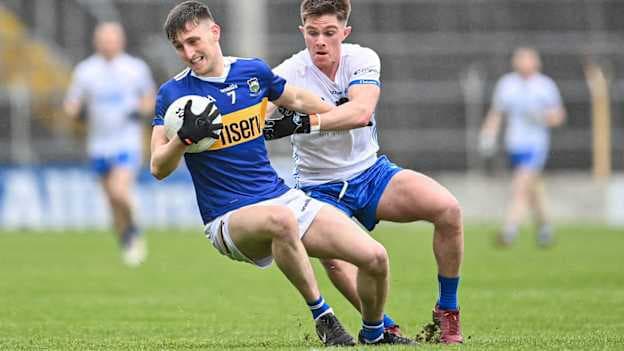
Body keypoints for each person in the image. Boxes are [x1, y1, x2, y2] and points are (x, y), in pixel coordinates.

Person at [150, 1, 414, 346]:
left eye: (193, 41)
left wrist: (345, 117)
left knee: (375, 258)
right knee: (281, 220)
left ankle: (375, 334)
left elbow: (299, 99)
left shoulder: (252, 72)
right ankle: (324, 317)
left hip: (280, 198)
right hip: (227, 218)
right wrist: (183, 139)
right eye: (179, 47)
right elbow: (158, 167)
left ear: (214, 32)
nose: (188, 52)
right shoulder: (173, 96)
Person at [263, 0, 464, 344]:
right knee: (337, 261)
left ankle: (447, 311)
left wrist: (303, 122)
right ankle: (382, 325)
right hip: (318, 187)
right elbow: (256, 119)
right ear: (302, 32)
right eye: (312, 33)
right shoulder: (286, 74)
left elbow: (360, 112)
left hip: (371, 174)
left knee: (448, 210)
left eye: (329, 33)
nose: (320, 41)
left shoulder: (363, 58)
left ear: (345, 31)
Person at [64, 22, 155, 267]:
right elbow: (72, 103)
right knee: (112, 201)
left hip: (126, 141)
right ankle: (127, 238)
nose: (108, 43)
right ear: (96, 41)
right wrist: (74, 112)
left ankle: (134, 229)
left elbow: (149, 98)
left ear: (121, 41)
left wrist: (139, 111)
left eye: (112, 39)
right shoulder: (85, 71)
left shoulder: (134, 68)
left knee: (119, 191)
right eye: (104, 39)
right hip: (98, 144)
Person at [479, 47, 566, 247]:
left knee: (520, 186)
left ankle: (509, 231)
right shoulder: (507, 84)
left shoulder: (545, 86)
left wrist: (543, 117)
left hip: (536, 145)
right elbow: (497, 113)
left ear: (536, 62)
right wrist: (488, 134)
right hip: (514, 144)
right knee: (532, 189)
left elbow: (559, 116)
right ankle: (545, 228)